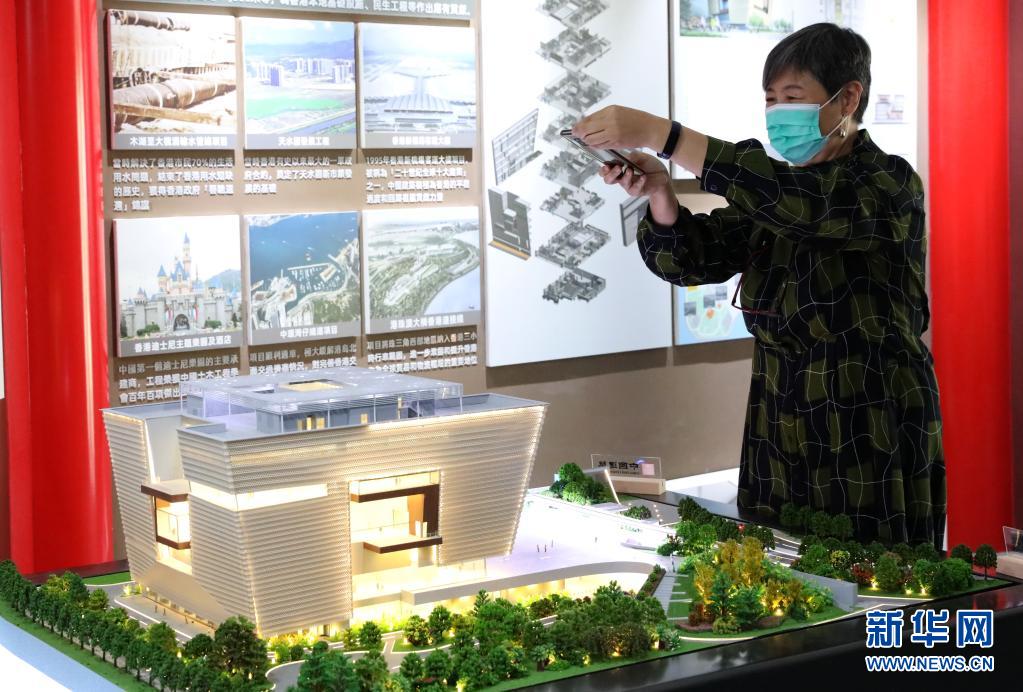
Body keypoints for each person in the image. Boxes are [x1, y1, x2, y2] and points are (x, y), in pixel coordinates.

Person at [573, 23, 945, 549]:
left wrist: (665, 136)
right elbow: (690, 258)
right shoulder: (780, 194)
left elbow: (800, 205)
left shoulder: (887, 183)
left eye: (792, 97)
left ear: (848, 99)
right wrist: (660, 193)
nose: (778, 113)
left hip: (866, 419)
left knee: (868, 575)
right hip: (778, 418)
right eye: (770, 100)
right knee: (775, 570)